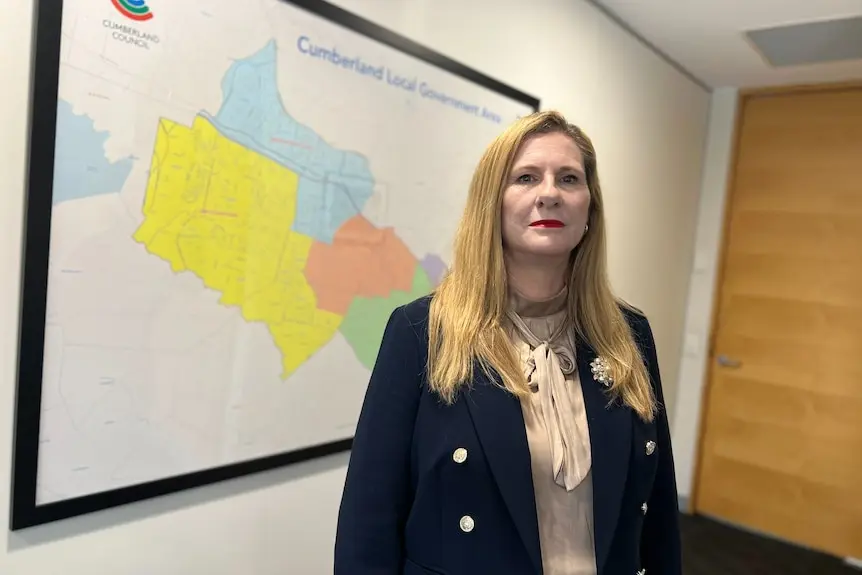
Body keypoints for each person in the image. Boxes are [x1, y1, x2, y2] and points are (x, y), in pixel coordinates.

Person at [333, 110, 681, 575]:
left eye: (569, 179)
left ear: (590, 208)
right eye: (526, 177)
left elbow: (656, 514)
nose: (550, 194)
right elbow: (369, 519)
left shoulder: (629, 334)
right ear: (491, 203)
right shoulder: (421, 332)